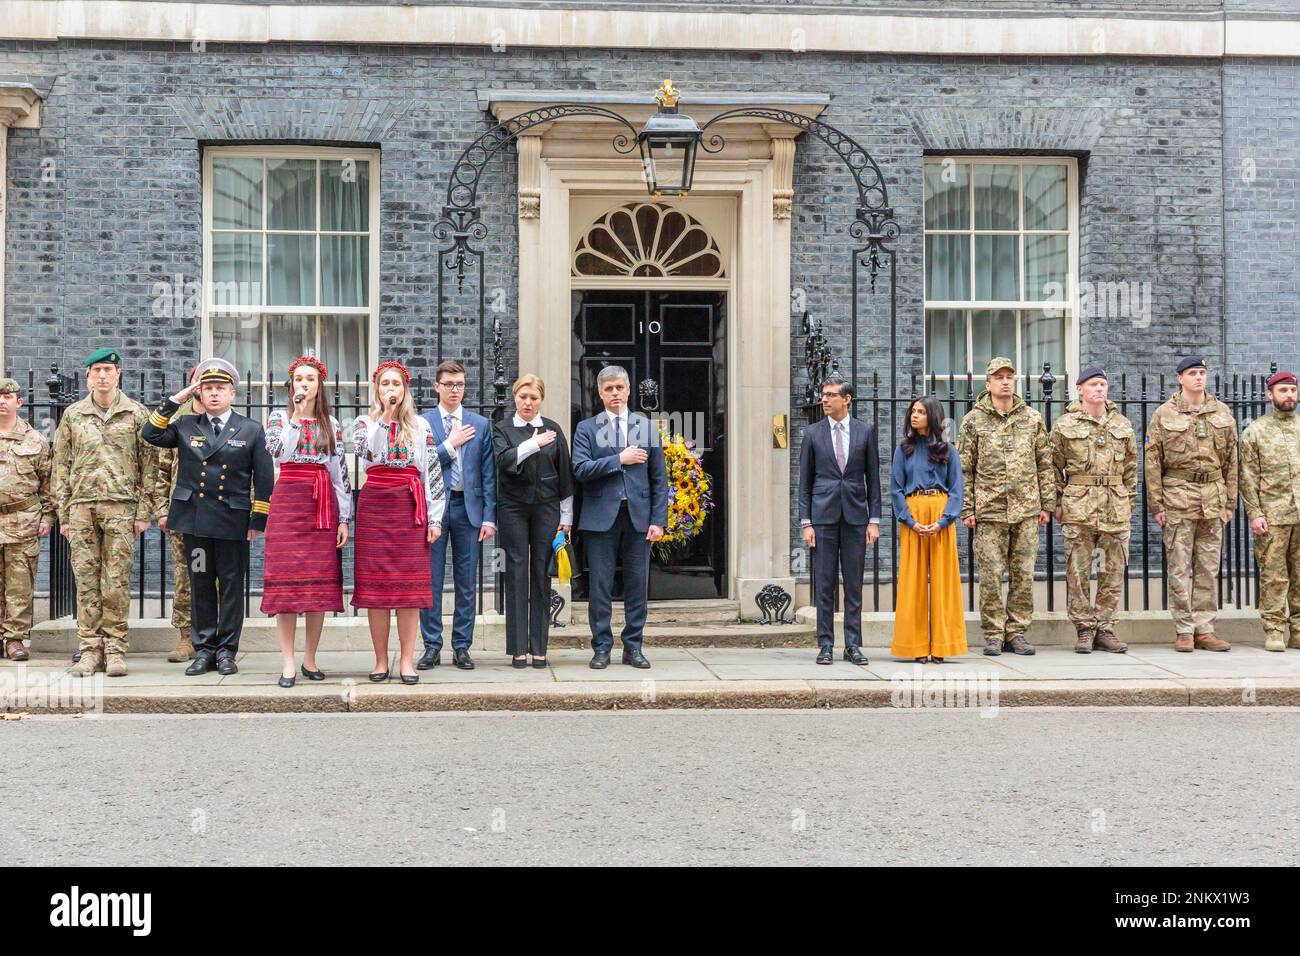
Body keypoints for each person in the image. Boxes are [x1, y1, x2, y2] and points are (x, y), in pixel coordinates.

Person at [142, 358, 274, 676]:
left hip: (232, 522)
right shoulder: (187, 426)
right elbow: (150, 433)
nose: (214, 394)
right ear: (200, 393)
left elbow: (264, 478)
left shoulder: (251, 430)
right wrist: (178, 398)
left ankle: (227, 650)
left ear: (232, 393)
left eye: (220, 388)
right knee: (200, 583)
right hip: (196, 522)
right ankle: (204, 649)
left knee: (230, 586)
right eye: (208, 388)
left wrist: (258, 521)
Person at [56, 348, 155, 678]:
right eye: (96, 370)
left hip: (121, 508)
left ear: (118, 374)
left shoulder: (136, 414)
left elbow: (149, 466)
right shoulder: (73, 415)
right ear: (87, 376)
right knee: (86, 582)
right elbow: (61, 465)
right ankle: (89, 650)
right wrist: (64, 514)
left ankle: (115, 650)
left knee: (115, 582)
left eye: (107, 370)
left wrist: (144, 512)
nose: (102, 375)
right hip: (82, 508)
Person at [350, 361, 444, 684]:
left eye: (397, 384)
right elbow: (365, 452)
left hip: (408, 505)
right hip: (375, 504)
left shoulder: (420, 426)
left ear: (405, 390)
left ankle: (406, 660)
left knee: (409, 590)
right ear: (377, 389)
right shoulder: (364, 423)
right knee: (376, 589)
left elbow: (431, 472)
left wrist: (435, 518)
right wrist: (385, 419)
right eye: (385, 384)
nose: (391, 389)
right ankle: (379, 660)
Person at [262, 356, 352, 688]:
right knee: (286, 585)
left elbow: (339, 474)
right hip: (288, 500)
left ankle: (310, 658)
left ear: (319, 384)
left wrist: (344, 518)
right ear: (291, 384)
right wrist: (296, 418)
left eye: (310, 379)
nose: (304, 383)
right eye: (299, 378)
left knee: (318, 583)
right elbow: (277, 453)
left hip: (321, 504)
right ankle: (287, 662)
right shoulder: (278, 418)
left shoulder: (332, 423)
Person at [571, 365, 668, 670]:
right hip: (600, 520)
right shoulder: (587, 428)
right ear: (599, 393)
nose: (614, 393)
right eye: (608, 389)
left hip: (638, 519)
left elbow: (659, 479)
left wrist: (658, 520)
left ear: (628, 391)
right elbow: (581, 469)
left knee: (637, 585)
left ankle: (633, 647)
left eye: (619, 388)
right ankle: (601, 647)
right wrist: (618, 459)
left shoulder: (647, 427)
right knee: (600, 586)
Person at [958, 356, 1054, 657]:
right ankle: (993, 633)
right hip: (989, 511)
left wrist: (1047, 503)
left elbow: (1045, 464)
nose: (1005, 381)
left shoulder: (1032, 418)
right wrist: (967, 508)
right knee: (990, 575)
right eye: (998, 376)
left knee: (1024, 574)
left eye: (1009, 376)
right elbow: (964, 468)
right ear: (988, 383)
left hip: (1026, 509)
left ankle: (1017, 632)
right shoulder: (973, 421)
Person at [1145, 356, 1237, 652]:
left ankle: (1205, 628)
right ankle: (1184, 628)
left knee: (1209, 568)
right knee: (1179, 567)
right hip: (1177, 498)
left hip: (1213, 497)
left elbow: (1233, 461)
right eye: (1192, 373)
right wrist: (1156, 505)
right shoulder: (1164, 414)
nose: (1199, 377)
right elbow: (1152, 461)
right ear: (1179, 378)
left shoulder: (1221, 412)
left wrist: (1230, 502)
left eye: (1202, 373)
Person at [1049, 367, 1138, 654]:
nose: (1099, 389)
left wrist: (1128, 502)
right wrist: (1059, 501)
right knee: (1078, 571)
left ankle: (1106, 627)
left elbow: (1131, 470)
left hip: (1115, 506)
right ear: (1080, 390)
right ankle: (1084, 629)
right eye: (1092, 384)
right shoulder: (1064, 425)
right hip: (1079, 506)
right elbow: (1052, 467)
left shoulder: (1122, 425)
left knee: (1113, 571)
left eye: (1102, 384)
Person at [418, 360, 497, 671]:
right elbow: (420, 465)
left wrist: (490, 517)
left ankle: (462, 646)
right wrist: (449, 445)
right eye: (449, 384)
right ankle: (432, 646)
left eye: (460, 384)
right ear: (437, 387)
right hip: (435, 507)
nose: (455, 390)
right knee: (432, 580)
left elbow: (489, 474)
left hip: (470, 507)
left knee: (467, 581)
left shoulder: (480, 424)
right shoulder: (423, 423)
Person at [798, 375, 882, 665]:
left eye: (832, 395)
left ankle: (853, 644)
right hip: (822, 516)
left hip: (856, 516)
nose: (825, 399)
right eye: (824, 394)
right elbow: (804, 483)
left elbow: (874, 479)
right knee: (824, 582)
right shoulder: (812, 433)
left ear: (847, 399)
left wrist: (875, 520)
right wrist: (806, 522)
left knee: (854, 583)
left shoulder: (865, 431)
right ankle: (825, 643)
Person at [492, 374, 573, 667]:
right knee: (515, 572)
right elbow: (503, 461)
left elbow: (565, 474)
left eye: (534, 398)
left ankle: (539, 647)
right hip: (512, 508)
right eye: (523, 396)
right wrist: (533, 444)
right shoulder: (503, 429)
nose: (528, 403)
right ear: (515, 396)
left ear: (541, 399)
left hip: (546, 508)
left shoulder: (553, 429)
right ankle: (518, 649)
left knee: (541, 572)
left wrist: (567, 518)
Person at [890, 396, 964, 662]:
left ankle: (943, 645)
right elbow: (896, 489)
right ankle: (915, 646)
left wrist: (944, 521)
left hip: (940, 515)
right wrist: (911, 521)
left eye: (921, 412)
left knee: (945, 581)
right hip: (914, 514)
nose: (915, 415)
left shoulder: (949, 450)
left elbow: (957, 490)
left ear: (932, 415)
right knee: (913, 581)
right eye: (913, 411)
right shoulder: (904, 449)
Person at [1240, 370, 1300, 652]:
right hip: (1273, 516)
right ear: (1270, 395)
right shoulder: (1256, 431)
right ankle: (1274, 629)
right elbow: (1248, 477)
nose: (1289, 396)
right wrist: (1255, 513)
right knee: (1274, 575)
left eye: (1292, 391)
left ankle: (1298, 631)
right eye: (1283, 391)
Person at [0, 378, 54, 662]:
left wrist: (47, 517)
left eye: (7, 397)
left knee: (20, 585)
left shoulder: (35, 440)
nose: (1, 401)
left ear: (19, 402)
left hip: (22, 520)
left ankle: (15, 639)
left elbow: (48, 484)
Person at [152, 386, 206, 663]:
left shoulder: (231, 420)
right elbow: (161, 470)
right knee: (185, 578)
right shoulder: (177, 422)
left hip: (220, 516)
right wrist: (163, 510)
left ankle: (214, 638)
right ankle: (187, 637)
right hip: (183, 514)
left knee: (219, 577)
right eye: (201, 382)